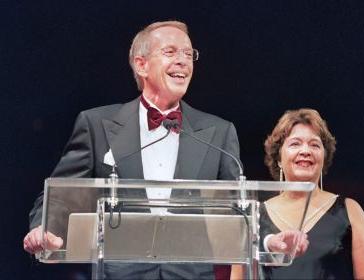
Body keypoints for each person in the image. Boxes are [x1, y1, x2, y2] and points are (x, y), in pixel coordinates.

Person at [23, 20, 241, 280]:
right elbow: (61, 194)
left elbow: (241, 206)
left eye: (188, 54)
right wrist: (43, 228)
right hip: (119, 274)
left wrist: (269, 238)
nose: (183, 61)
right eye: (170, 52)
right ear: (141, 64)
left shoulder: (219, 132)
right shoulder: (95, 125)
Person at [258, 108, 364, 279]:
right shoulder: (255, 216)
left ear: (323, 157)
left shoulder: (350, 211)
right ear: (279, 158)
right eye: (295, 143)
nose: (305, 151)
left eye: (314, 144)